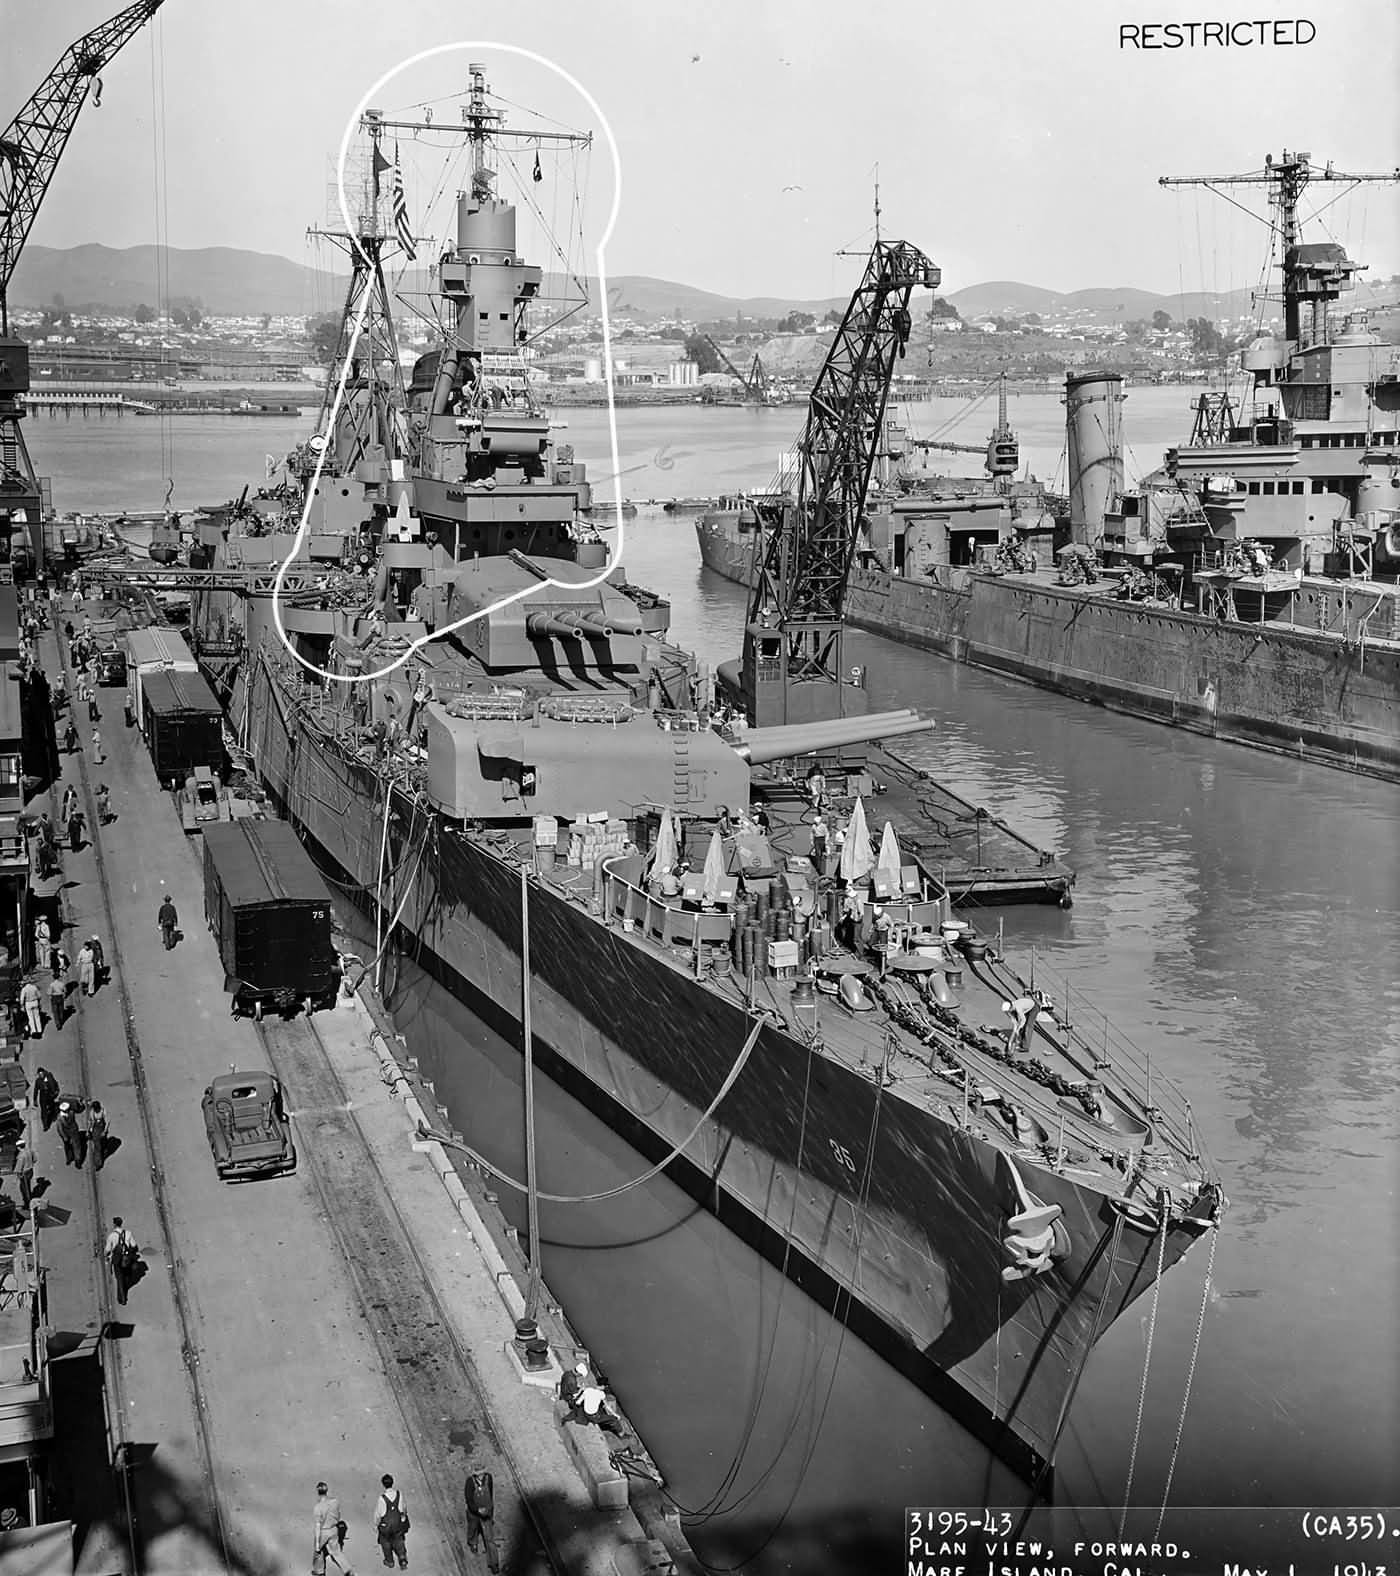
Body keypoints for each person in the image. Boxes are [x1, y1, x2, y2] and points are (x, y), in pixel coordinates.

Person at [464, 1465, 500, 1573]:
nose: (481, 1476)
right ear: (475, 1475)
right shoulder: (470, 1482)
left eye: (482, 1474)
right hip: (474, 1513)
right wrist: (477, 1510)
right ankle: (472, 1542)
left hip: (486, 1513)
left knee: (489, 1538)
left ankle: (494, 1563)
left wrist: (489, 1511)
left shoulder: (489, 1478)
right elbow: (469, 1500)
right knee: (473, 1528)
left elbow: (490, 1493)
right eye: (479, 1475)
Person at [373, 1474, 408, 1570]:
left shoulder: (382, 1498)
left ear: (383, 1484)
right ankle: (402, 1558)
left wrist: (376, 1525)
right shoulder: (399, 1494)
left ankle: (389, 1561)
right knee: (399, 1540)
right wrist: (403, 1518)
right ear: (392, 1483)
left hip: (386, 1527)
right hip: (397, 1524)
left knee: (385, 1543)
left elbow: (378, 1514)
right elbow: (403, 1508)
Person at [312, 1481, 345, 1576]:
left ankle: (319, 1572)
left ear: (318, 1492)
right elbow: (338, 1516)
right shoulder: (335, 1502)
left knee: (318, 1552)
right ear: (326, 1491)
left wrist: (318, 1544)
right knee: (337, 1552)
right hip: (334, 1530)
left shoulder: (318, 1507)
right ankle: (348, 1571)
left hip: (324, 1532)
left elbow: (318, 1526)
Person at [105, 1216, 138, 1306]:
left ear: (114, 1224)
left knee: (119, 1278)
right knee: (127, 1274)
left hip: (117, 1260)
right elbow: (134, 1245)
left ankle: (122, 1298)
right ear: (121, 1223)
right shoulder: (128, 1233)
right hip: (126, 1259)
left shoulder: (111, 1236)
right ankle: (125, 1285)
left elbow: (107, 1249)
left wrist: (107, 1256)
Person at [56, 1101, 85, 1167]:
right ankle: (70, 1158)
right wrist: (64, 1136)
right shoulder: (61, 1118)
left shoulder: (68, 1114)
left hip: (73, 1131)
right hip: (67, 1133)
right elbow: (60, 1128)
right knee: (69, 1146)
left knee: (76, 1146)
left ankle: (77, 1160)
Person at [87, 1099, 110, 1170]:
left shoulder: (103, 1111)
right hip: (96, 1131)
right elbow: (92, 1123)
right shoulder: (92, 1112)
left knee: (101, 1144)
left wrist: (105, 1131)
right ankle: (98, 1163)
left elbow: (107, 1121)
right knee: (97, 1147)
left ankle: (100, 1157)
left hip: (101, 1129)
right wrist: (89, 1130)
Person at [15, 1137, 35, 1210]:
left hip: (25, 1174)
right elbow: (35, 1159)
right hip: (30, 1171)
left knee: (25, 1190)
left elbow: (19, 1168)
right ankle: (28, 1201)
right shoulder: (30, 1150)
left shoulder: (21, 1156)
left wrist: (17, 1177)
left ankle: (28, 1205)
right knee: (26, 1187)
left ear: (18, 1147)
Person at [47, 959, 67, 1029]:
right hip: (60, 997)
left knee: (55, 1011)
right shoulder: (62, 983)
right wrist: (63, 994)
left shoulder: (52, 984)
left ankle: (58, 1024)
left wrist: (50, 996)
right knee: (61, 1010)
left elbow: (49, 993)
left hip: (54, 998)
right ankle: (61, 1020)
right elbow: (65, 990)